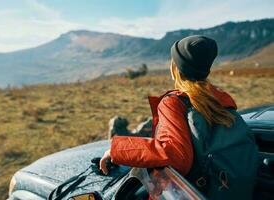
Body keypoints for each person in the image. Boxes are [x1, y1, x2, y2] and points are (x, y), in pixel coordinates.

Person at [99, 35, 258, 199]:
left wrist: (117, 149)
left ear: (176, 68)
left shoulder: (174, 103)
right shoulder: (220, 101)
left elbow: (176, 155)